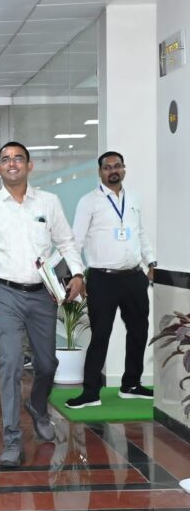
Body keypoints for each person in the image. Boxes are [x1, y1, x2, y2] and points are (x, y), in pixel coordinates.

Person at [0, 141, 84, 468]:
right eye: (6, 159)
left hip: (43, 294)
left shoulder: (49, 202)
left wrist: (77, 273)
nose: (12, 163)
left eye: (19, 158)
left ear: (29, 165)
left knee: (47, 365)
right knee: (11, 363)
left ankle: (37, 405)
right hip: (5, 294)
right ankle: (12, 441)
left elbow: (66, 242)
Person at [65, 151, 156, 409]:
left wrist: (151, 262)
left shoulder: (133, 199)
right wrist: (77, 274)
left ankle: (131, 384)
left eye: (117, 166)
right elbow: (76, 241)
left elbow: (140, 233)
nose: (113, 170)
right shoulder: (89, 202)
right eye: (107, 167)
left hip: (134, 276)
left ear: (124, 169)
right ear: (100, 172)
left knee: (139, 331)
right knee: (101, 335)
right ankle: (90, 392)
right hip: (102, 279)